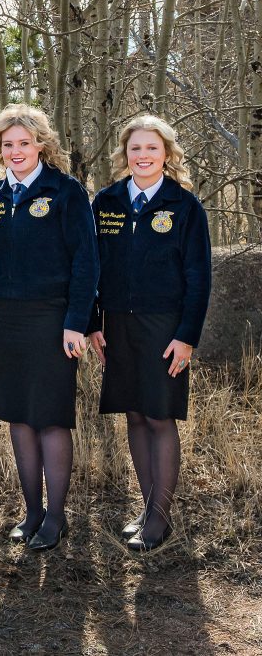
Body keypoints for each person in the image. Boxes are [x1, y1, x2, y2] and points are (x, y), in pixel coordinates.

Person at [0, 104, 98, 551]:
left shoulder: (65, 192)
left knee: (49, 418)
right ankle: (32, 512)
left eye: (24, 142)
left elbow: (86, 263)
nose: (16, 150)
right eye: (8, 144)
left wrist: (76, 323)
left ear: (41, 145)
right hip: (4, 319)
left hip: (52, 319)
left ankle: (57, 517)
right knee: (18, 418)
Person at [89, 115, 211, 551]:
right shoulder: (106, 203)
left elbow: (199, 277)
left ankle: (160, 519)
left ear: (167, 155)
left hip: (165, 329)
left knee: (159, 415)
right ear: (125, 155)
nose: (143, 156)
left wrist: (187, 336)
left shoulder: (184, 207)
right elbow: (90, 268)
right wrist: (91, 322)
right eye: (135, 149)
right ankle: (145, 508)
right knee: (134, 414)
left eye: (152, 149)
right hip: (118, 326)